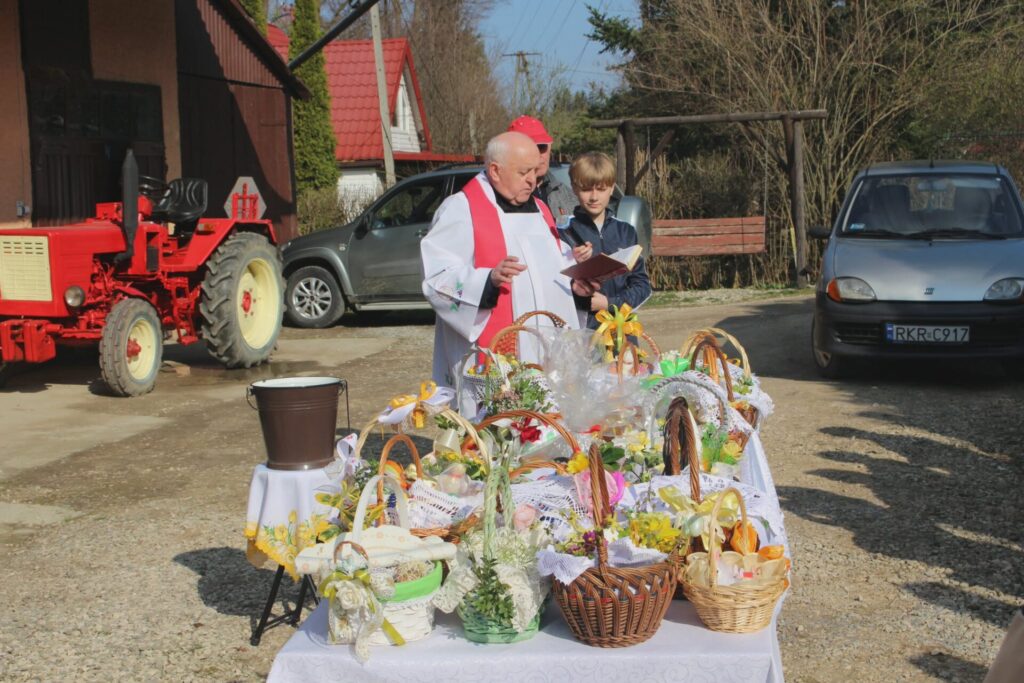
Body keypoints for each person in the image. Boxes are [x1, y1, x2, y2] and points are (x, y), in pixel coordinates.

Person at [421, 131, 598, 399]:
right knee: (501, 419)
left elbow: (549, 271)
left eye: (535, 172)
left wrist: (576, 285)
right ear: (495, 170)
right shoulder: (461, 209)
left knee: (550, 415)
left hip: (547, 350)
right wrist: (487, 281)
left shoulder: (540, 209)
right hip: (498, 350)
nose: (532, 180)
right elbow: (437, 278)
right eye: (524, 172)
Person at [565, 151, 652, 328]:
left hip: (622, 329)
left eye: (601, 189)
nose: (594, 197)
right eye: (586, 189)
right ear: (574, 188)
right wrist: (572, 262)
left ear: (612, 188)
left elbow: (642, 285)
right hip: (584, 332)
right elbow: (557, 290)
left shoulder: (626, 231)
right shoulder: (563, 231)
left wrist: (611, 304)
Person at [507, 115, 577, 223]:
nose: (538, 155)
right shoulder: (500, 197)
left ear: (549, 148)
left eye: (542, 147)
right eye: (530, 148)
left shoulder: (567, 195)